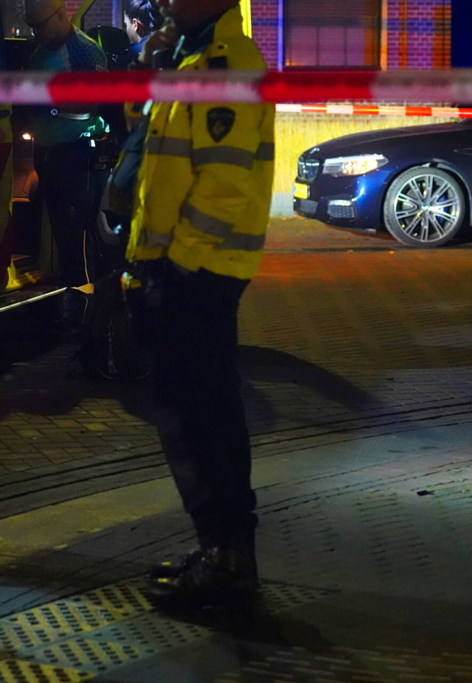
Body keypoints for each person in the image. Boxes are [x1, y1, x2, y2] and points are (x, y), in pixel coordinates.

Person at [129, 0, 275, 607]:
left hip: (198, 272)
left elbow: (223, 183)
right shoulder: (193, 55)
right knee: (204, 408)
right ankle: (224, 551)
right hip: (189, 267)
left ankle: (225, 561)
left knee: (194, 415)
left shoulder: (224, 63)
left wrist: (178, 261)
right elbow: (157, 138)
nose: (162, 1)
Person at [24, 0, 109, 332]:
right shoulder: (39, 51)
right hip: (51, 156)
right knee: (64, 236)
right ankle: (80, 307)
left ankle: (87, 314)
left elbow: (96, 104)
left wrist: (52, 105)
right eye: (32, 27)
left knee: (78, 240)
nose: (37, 33)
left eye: (41, 25)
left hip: (78, 156)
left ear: (60, 14)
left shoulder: (84, 54)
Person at [117, 0, 163, 69]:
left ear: (135, 24)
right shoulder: (173, 47)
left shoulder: (129, 55)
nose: (126, 28)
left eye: (126, 24)